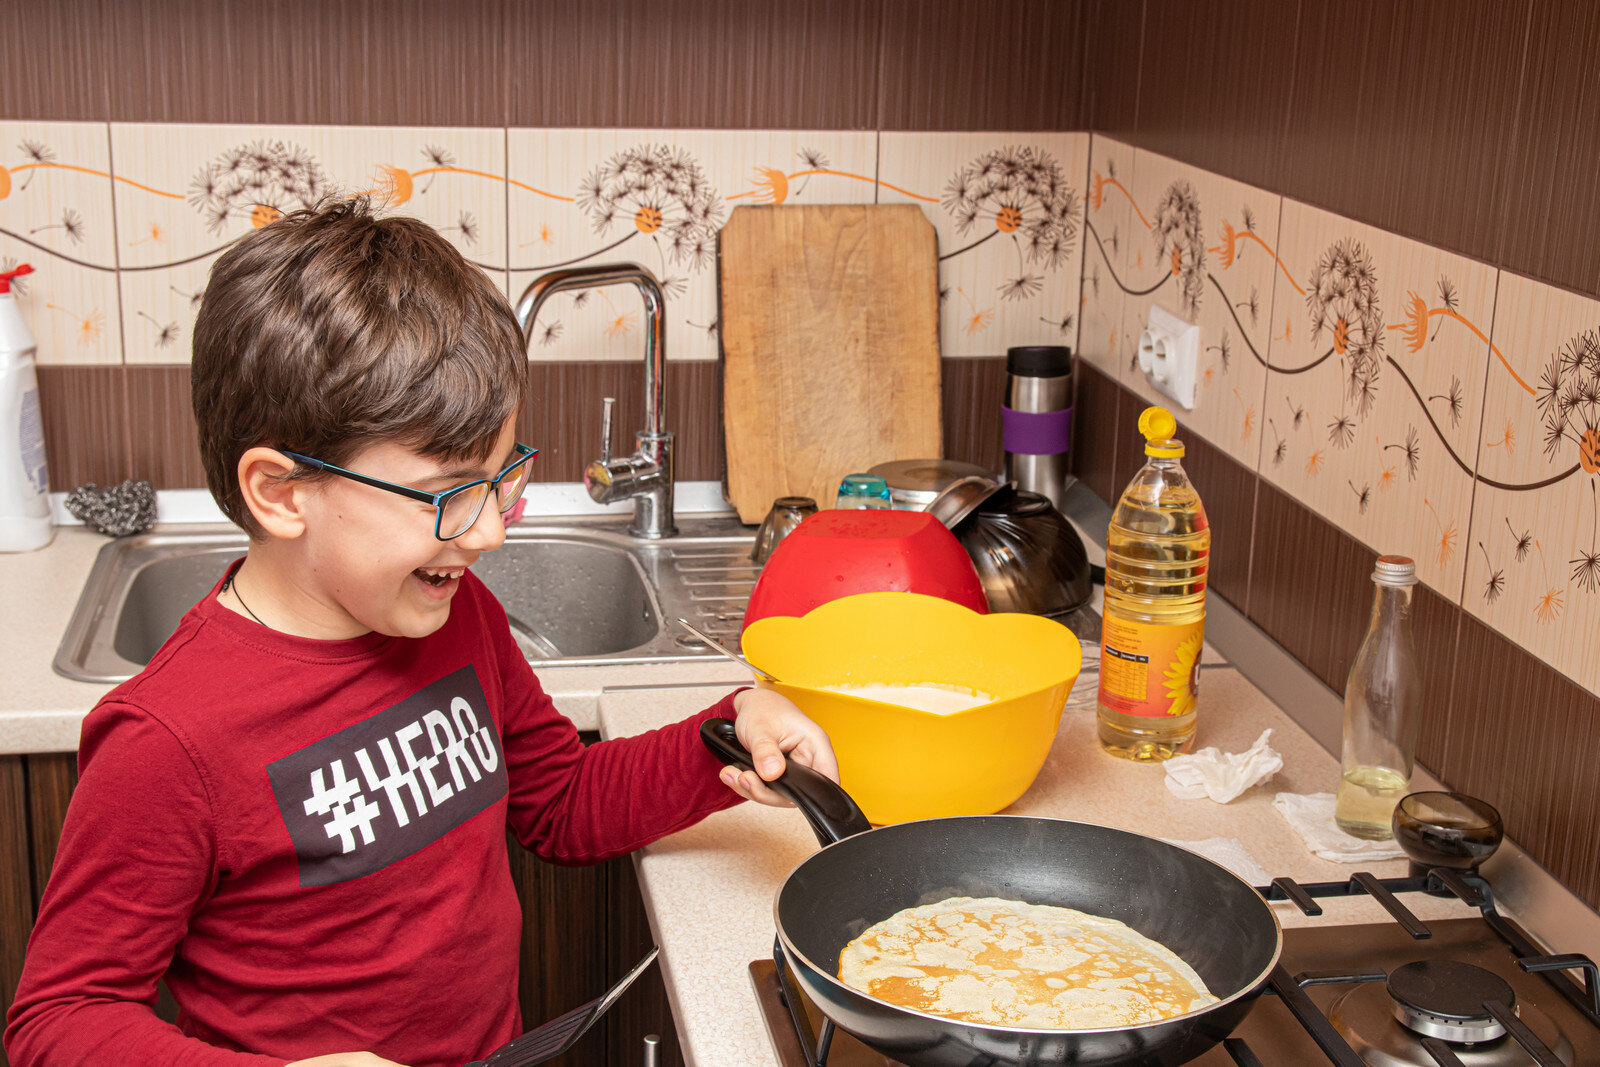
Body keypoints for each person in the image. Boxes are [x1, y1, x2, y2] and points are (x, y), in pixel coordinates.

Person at [4, 199, 836, 1067]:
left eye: (501, 479)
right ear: (281, 493)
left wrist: (729, 729)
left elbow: (560, 801)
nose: (490, 531)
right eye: (449, 495)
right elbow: (57, 1020)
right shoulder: (167, 740)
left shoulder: (453, 612)